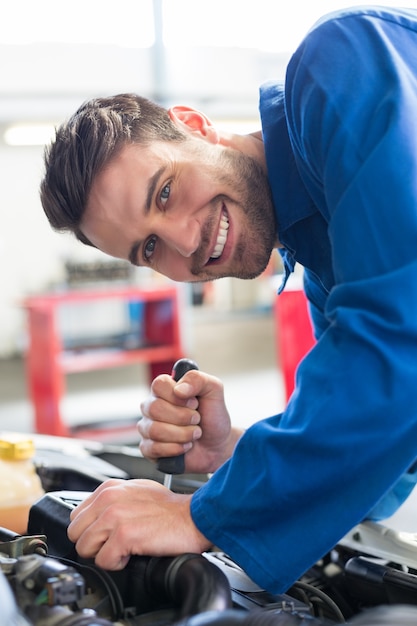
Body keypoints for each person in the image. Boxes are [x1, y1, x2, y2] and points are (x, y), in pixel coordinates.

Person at [40, 5, 417, 595]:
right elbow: (392, 456)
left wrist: (201, 514)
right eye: (149, 248)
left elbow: (401, 339)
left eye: (165, 191)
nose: (187, 244)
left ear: (193, 124)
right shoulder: (321, 254)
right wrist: (231, 452)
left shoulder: (340, 61)